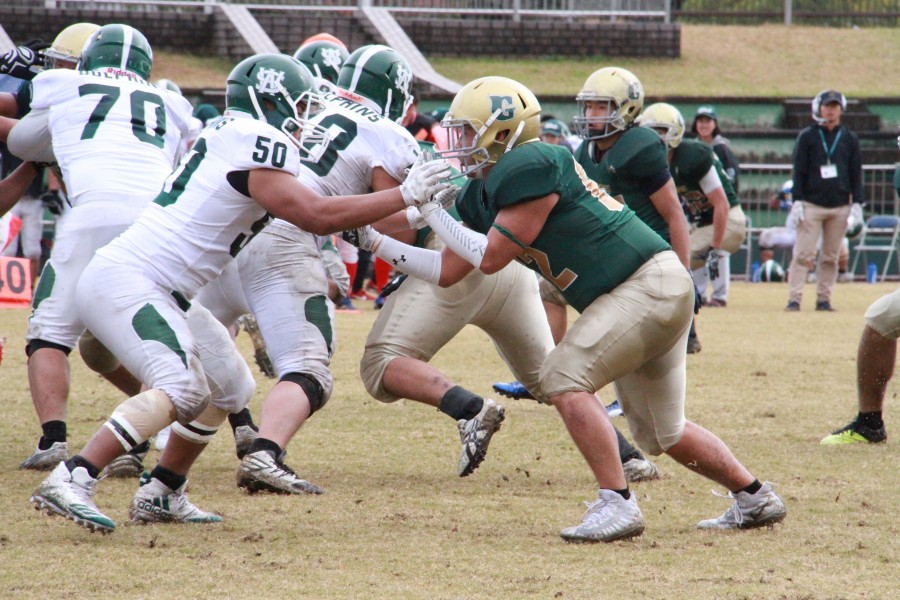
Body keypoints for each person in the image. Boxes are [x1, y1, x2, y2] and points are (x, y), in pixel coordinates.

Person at [345, 76, 786, 541]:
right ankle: (755, 497)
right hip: (647, 290)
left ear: (503, 132)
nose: (459, 141)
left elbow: (490, 258)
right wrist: (376, 242)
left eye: (469, 130)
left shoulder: (530, 163)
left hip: (644, 284)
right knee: (663, 433)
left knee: (561, 376)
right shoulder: (483, 190)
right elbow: (447, 270)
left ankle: (617, 503)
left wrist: (432, 212)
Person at [28, 52, 450, 532]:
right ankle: (73, 476)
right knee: (182, 387)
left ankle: (163, 491)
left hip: (163, 288)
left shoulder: (231, 134)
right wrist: (404, 194)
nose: (305, 118)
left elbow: (326, 212)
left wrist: (410, 211)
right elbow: (316, 215)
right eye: (299, 105)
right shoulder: (257, 141)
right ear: (269, 100)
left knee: (231, 385)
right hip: (135, 280)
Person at [5, 24, 195, 472]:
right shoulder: (171, 102)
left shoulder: (63, 84)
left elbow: (19, 140)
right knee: (154, 336)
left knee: (50, 334)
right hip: (158, 223)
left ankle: (54, 439)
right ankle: (151, 434)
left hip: (94, 216)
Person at [637, 103, 746, 311]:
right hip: (704, 223)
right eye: (651, 131)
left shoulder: (692, 155)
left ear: (675, 131)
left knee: (674, 258)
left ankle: (672, 308)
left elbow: (722, 204)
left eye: (661, 131)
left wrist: (714, 247)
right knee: (668, 257)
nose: (656, 137)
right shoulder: (655, 163)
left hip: (728, 220)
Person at [786, 89, 863, 312]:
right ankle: (794, 298)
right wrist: (797, 201)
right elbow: (799, 170)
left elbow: (855, 172)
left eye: (834, 106)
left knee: (831, 256)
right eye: (827, 106)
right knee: (803, 254)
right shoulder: (808, 136)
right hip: (812, 204)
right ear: (819, 108)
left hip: (840, 205)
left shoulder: (849, 138)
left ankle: (824, 298)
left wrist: (857, 203)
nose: (831, 110)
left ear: (841, 109)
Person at [691, 105, 740, 192]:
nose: (704, 125)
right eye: (701, 121)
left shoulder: (722, 148)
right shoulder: (691, 147)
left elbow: (731, 175)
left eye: (708, 121)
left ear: (715, 124)